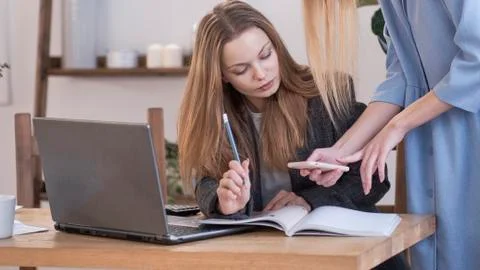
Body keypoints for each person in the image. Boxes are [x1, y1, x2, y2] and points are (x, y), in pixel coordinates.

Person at [177, 1, 406, 269]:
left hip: (343, 254)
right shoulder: (216, 118)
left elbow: (373, 181)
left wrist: (308, 201)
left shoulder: (327, 93)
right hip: (265, 255)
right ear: (222, 76)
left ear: (276, 46)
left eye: (265, 55)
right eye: (241, 70)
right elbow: (205, 181)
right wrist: (223, 201)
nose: (260, 74)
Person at [301, 1, 480, 269]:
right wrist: (342, 151)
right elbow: (402, 77)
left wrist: (398, 126)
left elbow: (476, 62)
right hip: (433, 145)